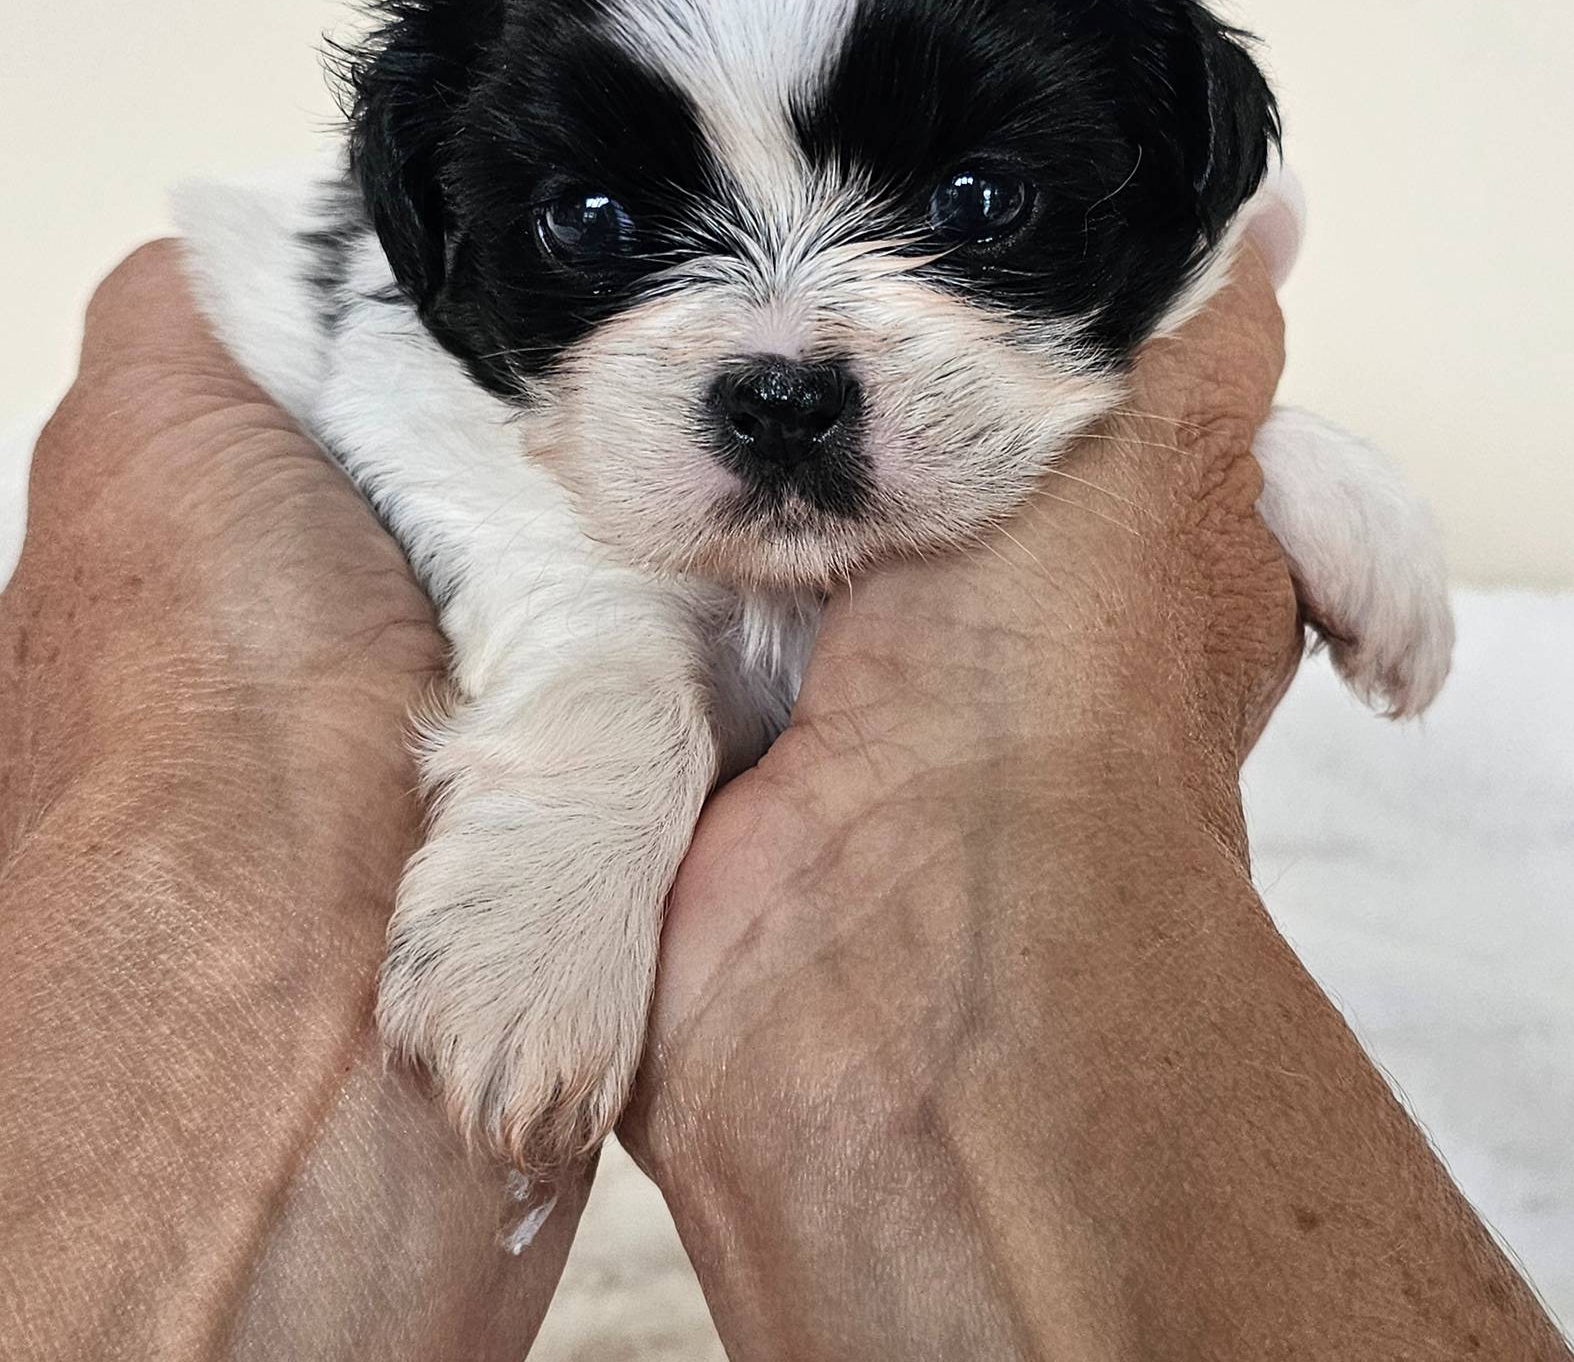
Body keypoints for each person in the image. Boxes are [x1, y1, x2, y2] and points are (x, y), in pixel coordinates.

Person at [0, 241, 1563, 1362]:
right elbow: (534, 562)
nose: (780, 343)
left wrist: (1247, 462)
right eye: (605, 233)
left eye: (966, 202)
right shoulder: (363, 340)